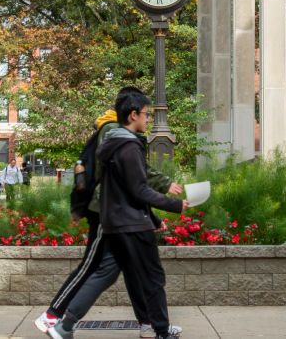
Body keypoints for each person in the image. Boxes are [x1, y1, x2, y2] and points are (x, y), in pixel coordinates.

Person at [39, 88, 183, 339]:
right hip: (132, 225)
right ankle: (160, 331)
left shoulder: (111, 144)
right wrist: (175, 205)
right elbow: (139, 189)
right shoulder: (128, 147)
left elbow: (118, 188)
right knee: (153, 277)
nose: (148, 119)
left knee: (104, 274)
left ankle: (63, 327)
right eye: (146, 115)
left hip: (115, 222)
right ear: (133, 115)